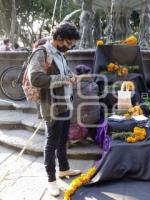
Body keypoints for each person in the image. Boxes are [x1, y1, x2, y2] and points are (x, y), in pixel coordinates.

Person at [27, 22, 81, 197]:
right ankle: (51, 180)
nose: (70, 46)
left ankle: (63, 169)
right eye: (68, 42)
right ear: (58, 38)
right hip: (51, 106)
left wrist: (71, 76)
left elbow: (63, 73)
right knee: (51, 144)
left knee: (63, 138)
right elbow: (36, 78)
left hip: (65, 104)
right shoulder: (42, 52)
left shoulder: (60, 54)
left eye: (72, 43)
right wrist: (65, 78)